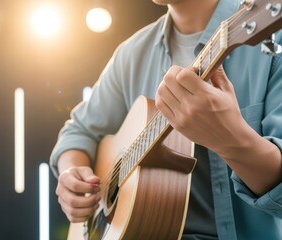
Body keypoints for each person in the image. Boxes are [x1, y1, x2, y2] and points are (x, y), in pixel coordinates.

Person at [49, 0, 282, 239]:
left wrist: (230, 139)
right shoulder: (131, 54)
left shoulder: (269, 31)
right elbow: (77, 132)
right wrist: (72, 172)